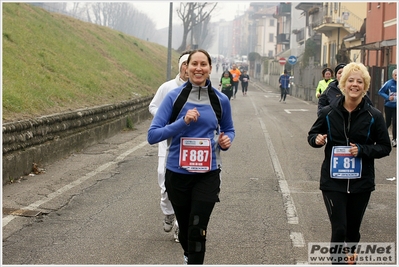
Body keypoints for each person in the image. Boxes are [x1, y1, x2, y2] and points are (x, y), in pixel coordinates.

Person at [147, 49, 235, 265]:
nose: (198, 68)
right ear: (186, 68)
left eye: (203, 64)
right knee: (186, 228)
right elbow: (153, 135)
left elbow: (229, 129)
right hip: (177, 174)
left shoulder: (220, 100)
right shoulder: (173, 97)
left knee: (198, 226)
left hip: (208, 174)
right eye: (194, 64)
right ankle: (189, 256)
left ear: (210, 69)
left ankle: (194, 261)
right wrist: (182, 122)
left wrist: (226, 141)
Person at [307, 62, 391, 265]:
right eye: (350, 80)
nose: (355, 85)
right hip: (333, 181)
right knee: (339, 229)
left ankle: (350, 257)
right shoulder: (328, 112)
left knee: (352, 230)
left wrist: (362, 150)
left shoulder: (374, 116)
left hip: (361, 182)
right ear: (343, 84)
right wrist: (316, 140)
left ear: (365, 86)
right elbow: (312, 134)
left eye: (359, 81)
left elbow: (384, 147)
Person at [148, 50, 191, 242]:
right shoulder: (167, 87)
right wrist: (165, 120)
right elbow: (153, 106)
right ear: (181, 66)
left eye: (190, 64)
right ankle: (168, 212)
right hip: (167, 145)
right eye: (184, 64)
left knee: (186, 187)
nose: (187, 68)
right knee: (165, 185)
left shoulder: (200, 90)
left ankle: (181, 227)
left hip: (189, 146)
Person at [378, 69, 397, 147]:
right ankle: (381, 137)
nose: (397, 76)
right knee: (388, 122)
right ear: (393, 76)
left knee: (395, 123)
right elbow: (380, 92)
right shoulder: (388, 83)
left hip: (396, 107)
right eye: (395, 75)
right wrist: (388, 97)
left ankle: (394, 139)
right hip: (388, 106)